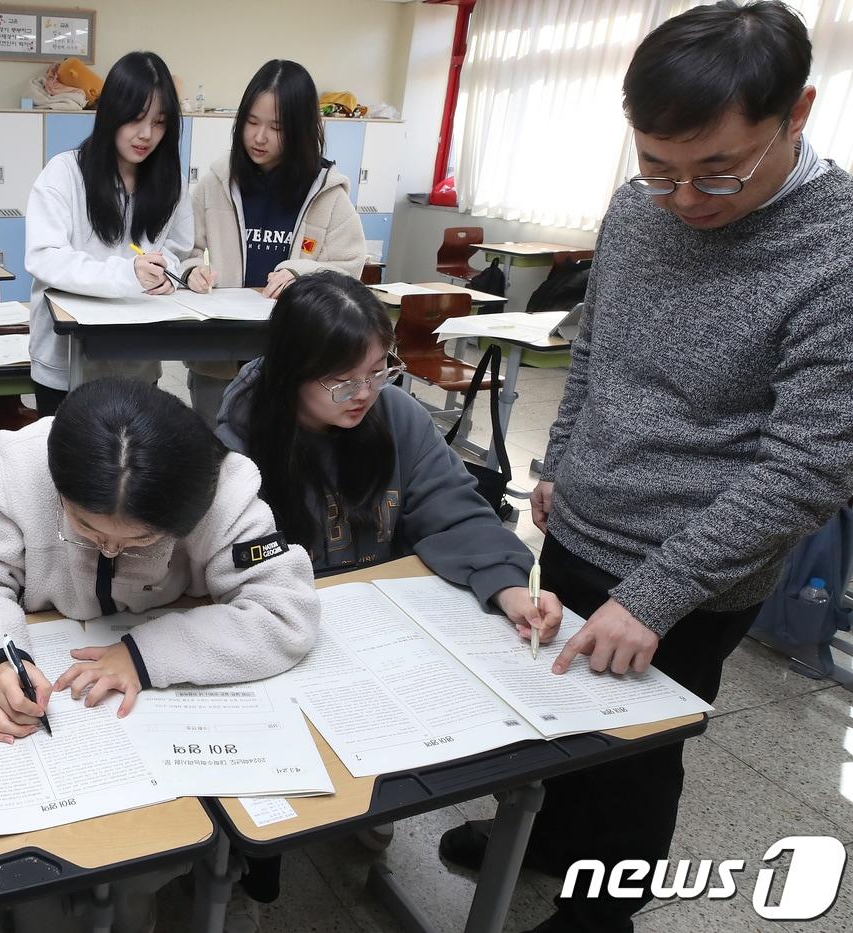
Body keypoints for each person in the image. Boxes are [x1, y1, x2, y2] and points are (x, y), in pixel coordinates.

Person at [438, 4, 853, 932]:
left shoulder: (838, 249)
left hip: (695, 569)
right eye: (658, 169)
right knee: (558, 708)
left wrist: (657, 593)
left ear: (800, 114)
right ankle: (547, 842)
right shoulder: (639, 207)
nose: (687, 200)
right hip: (584, 522)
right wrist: (565, 456)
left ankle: (602, 910)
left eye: (718, 172)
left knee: (635, 752)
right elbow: (597, 350)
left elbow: (812, 463)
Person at [216, 271, 562, 928]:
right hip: (280, 639)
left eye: (378, 370)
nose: (364, 394)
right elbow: (228, 566)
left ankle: (366, 819)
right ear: (291, 374)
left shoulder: (393, 413)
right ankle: (251, 870)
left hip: (373, 637)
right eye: (341, 381)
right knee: (266, 796)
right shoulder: (243, 437)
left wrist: (512, 588)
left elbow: (451, 508)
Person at [0, 377, 319, 740]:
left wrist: (146, 655)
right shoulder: (15, 468)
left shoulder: (221, 490)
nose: (109, 549)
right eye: (86, 526)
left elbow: (283, 613)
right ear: (56, 486)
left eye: (143, 538)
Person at [182, 61, 366, 422]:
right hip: (220, 358)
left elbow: (350, 271)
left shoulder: (327, 193)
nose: (259, 137)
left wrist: (302, 273)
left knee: (281, 463)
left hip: (297, 361)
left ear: (300, 130)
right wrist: (190, 272)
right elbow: (182, 251)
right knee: (214, 457)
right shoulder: (215, 184)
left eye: (276, 127)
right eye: (251, 122)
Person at [25, 51, 194, 415]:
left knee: (132, 466)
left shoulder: (171, 185)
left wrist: (168, 274)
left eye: (160, 122)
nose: (146, 134)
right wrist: (128, 274)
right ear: (110, 114)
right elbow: (46, 257)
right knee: (69, 467)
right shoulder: (65, 174)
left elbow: (179, 250)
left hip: (137, 362)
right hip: (68, 364)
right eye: (135, 118)